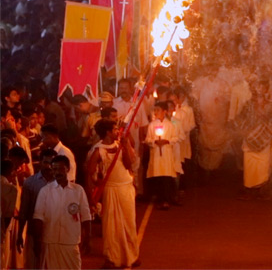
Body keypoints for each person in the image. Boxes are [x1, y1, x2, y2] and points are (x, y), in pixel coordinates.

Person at [86, 119, 140, 268]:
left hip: (126, 188)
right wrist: (92, 195)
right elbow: (90, 174)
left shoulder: (120, 145)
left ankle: (132, 256)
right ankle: (112, 257)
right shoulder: (98, 150)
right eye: (115, 129)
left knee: (129, 223)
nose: (118, 131)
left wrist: (126, 145)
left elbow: (129, 165)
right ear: (108, 132)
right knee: (111, 226)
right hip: (110, 189)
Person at [32, 155, 91, 270]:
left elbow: (86, 216)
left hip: (71, 242)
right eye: (54, 169)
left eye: (60, 169)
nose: (57, 172)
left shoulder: (78, 190)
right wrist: (37, 241)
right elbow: (38, 217)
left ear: (68, 169)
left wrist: (88, 239)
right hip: (50, 242)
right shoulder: (45, 191)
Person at [16, 148, 56, 269]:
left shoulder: (61, 183)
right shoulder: (30, 182)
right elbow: (24, 210)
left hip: (55, 232)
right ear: (40, 162)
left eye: (52, 163)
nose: (49, 166)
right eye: (46, 162)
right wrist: (20, 235)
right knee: (33, 264)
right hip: (34, 231)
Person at [145, 101, 179, 210]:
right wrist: (155, 141)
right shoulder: (152, 125)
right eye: (154, 110)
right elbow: (148, 139)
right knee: (158, 176)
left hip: (166, 154)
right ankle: (160, 199)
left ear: (164, 112)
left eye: (158, 110)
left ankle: (167, 199)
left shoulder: (170, 125)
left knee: (166, 177)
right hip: (156, 154)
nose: (155, 112)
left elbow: (175, 138)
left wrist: (167, 141)